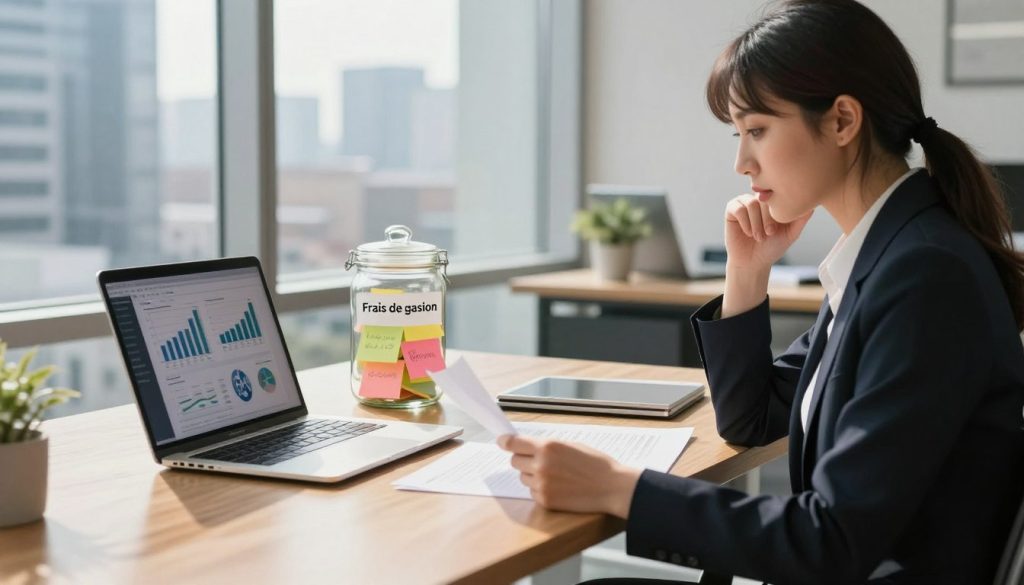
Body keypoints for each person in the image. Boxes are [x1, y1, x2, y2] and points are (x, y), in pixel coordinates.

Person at [497, 1, 1024, 583]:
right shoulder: (886, 251)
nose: (741, 162)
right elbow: (753, 417)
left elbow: (831, 541)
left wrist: (620, 489)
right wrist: (746, 274)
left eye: (757, 131)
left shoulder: (922, 272)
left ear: (843, 121)